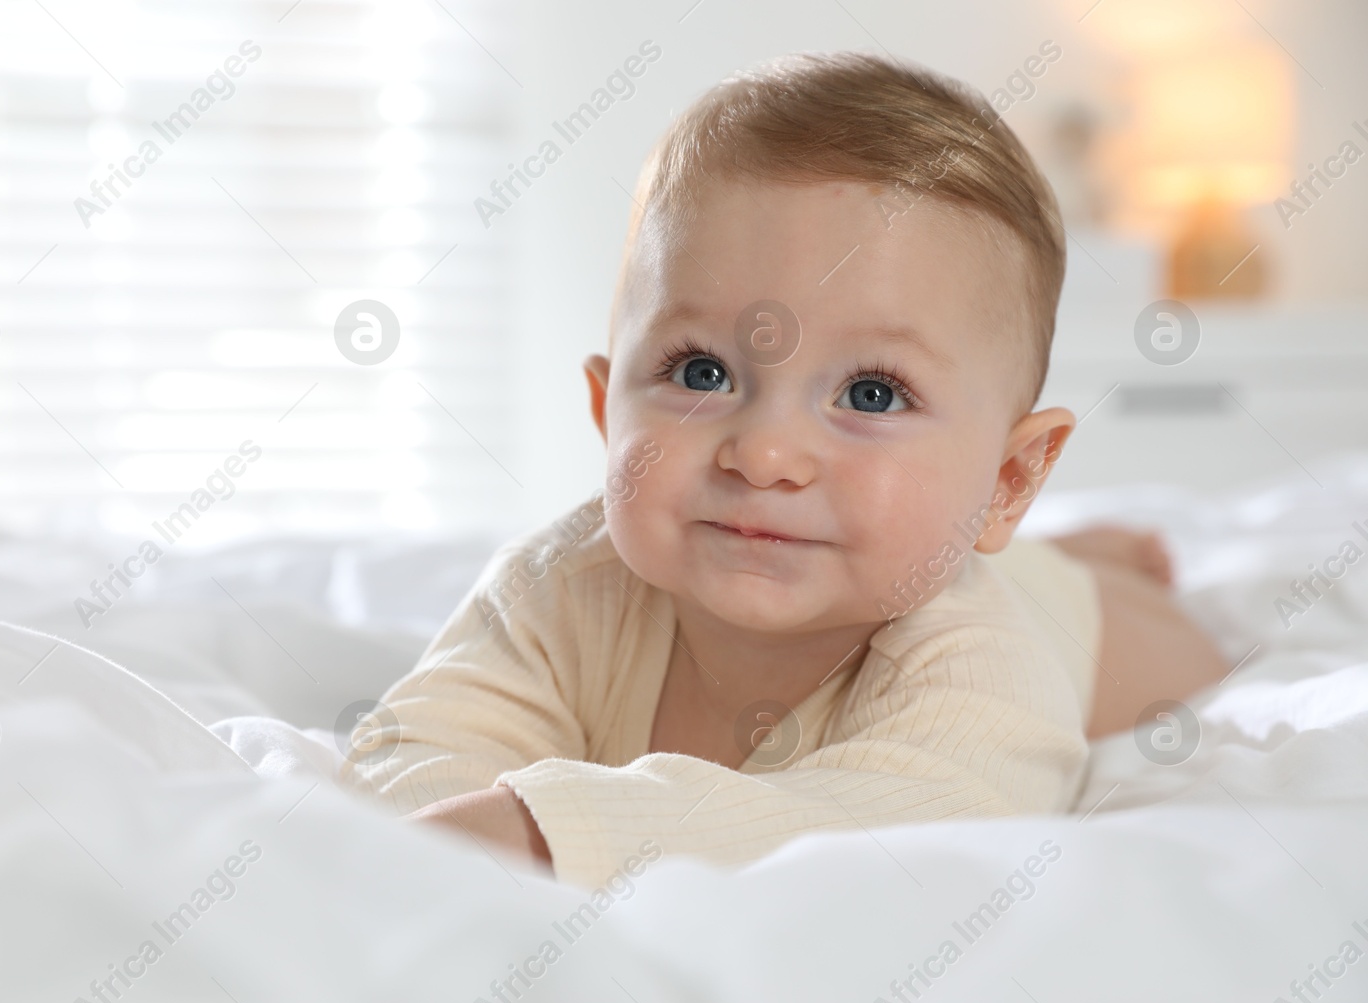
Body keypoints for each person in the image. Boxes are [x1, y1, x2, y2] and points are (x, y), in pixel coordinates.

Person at [342, 53, 1229, 887]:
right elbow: (414, 749)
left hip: (1074, 621)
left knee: (1181, 656)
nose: (763, 454)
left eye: (873, 394)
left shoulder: (982, 664)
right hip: (944, 546)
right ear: (608, 410)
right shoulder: (560, 586)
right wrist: (450, 826)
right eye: (702, 373)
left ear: (1007, 480)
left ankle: (1089, 562)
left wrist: (543, 832)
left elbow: (907, 837)